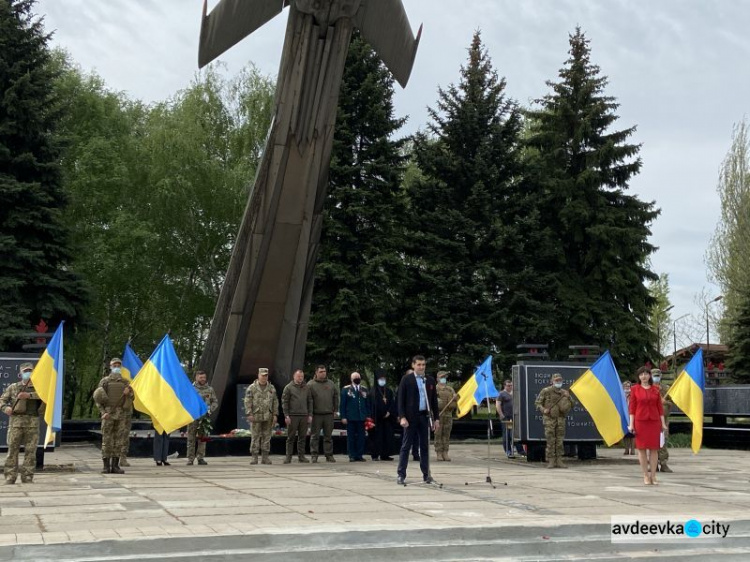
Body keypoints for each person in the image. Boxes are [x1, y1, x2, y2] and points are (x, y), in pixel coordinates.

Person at [396, 355, 439, 485]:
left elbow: (434, 401)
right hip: (410, 417)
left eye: (423, 365)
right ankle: (401, 474)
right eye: (419, 365)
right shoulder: (407, 379)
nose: (421, 367)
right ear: (413, 365)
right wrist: (402, 417)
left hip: (424, 416)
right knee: (406, 446)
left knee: (425, 447)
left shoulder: (429, 380)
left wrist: (436, 418)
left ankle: (427, 475)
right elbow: (400, 400)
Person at [1, 362, 45, 484]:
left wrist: (29, 395)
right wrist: (6, 408)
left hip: (32, 423)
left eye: (30, 370)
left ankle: (27, 476)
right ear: (20, 373)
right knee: (12, 450)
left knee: (31, 451)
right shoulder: (13, 387)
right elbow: (2, 400)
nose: (28, 373)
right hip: (16, 423)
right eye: (25, 371)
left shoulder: (39, 387)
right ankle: (10, 476)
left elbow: (45, 396)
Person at [93, 358, 133, 474]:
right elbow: (97, 399)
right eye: (114, 364)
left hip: (121, 415)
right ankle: (106, 466)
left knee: (119, 441)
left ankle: (115, 466)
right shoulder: (104, 381)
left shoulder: (126, 382)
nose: (116, 366)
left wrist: (128, 393)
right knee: (107, 440)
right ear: (110, 367)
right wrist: (103, 412)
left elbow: (132, 399)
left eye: (118, 365)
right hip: (108, 414)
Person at [628, 367, 667, 485]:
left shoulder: (655, 389)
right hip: (640, 422)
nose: (644, 376)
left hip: (654, 421)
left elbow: (660, 408)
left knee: (654, 449)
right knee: (642, 449)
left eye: (646, 374)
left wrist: (663, 423)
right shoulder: (635, 389)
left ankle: (653, 476)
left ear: (649, 376)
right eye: (641, 375)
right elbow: (632, 408)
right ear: (638, 377)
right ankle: (645, 475)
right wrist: (631, 424)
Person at [534, 373, 573, 469]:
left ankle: (559, 460)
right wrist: (543, 410)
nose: (558, 382)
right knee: (551, 440)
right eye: (556, 380)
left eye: (560, 380)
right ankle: (551, 460)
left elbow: (573, 404)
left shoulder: (564, 392)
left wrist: (568, 397)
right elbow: (537, 403)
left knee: (559, 440)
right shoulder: (546, 391)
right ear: (552, 381)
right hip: (549, 419)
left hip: (561, 419)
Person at [244, 367, 279, 465]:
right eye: (262, 375)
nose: (264, 377)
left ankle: (265, 457)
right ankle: (254, 457)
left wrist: (275, 414)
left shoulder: (271, 388)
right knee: (255, 437)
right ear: (258, 375)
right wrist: (249, 413)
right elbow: (247, 401)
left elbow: (275, 402)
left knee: (267, 437)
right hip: (256, 416)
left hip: (268, 416)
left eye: (266, 376)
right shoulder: (252, 388)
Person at [186, 370, 218, 466]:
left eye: (204, 377)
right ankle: (190, 459)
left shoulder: (210, 389)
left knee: (203, 439)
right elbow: (186, 402)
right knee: (191, 438)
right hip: (193, 417)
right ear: (196, 378)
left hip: (204, 418)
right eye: (201, 378)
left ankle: (200, 458)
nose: (203, 379)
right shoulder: (190, 389)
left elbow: (215, 402)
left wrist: (210, 410)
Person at [308, 365, 338, 463]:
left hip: (328, 414)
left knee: (328, 436)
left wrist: (335, 410)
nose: (323, 373)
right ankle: (314, 455)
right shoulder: (310, 384)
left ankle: (329, 455)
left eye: (324, 371)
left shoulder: (331, 384)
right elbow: (308, 400)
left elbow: (335, 397)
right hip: (316, 414)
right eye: (321, 371)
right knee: (314, 436)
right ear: (316, 372)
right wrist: (310, 414)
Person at [282, 369, 313, 463]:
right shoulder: (288, 387)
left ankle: (301, 456)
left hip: (304, 415)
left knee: (302, 437)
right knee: (290, 437)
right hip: (292, 415)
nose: (300, 378)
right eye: (299, 376)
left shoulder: (306, 387)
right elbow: (285, 402)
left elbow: (310, 401)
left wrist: (310, 414)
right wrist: (286, 415)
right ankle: (288, 457)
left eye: (302, 376)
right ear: (294, 376)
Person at [340, 371, 370, 462]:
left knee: (361, 437)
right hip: (351, 417)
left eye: (358, 377)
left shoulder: (364, 389)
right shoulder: (346, 389)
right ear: (351, 379)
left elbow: (367, 403)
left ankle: (359, 455)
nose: (357, 379)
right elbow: (343, 404)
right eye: (355, 377)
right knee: (351, 437)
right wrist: (343, 416)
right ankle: (352, 455)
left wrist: (368, 415)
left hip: (361, 417)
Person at [368, 369, 397, 461]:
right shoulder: (373, 392)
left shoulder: (388, 391)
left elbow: (392, 403)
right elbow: (374, 405)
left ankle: (385, 454)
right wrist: (382, 413)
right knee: (377, 437)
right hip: (377, 418)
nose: (382, 380)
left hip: (387, 419)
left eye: (384, 378)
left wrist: (389, 412)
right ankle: (375, 455)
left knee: (387, 436)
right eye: (381, 379)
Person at [496, 379, 525, 458]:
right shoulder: (501, 394)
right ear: (505, 386)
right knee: (507, 434)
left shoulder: (514, 393)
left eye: (511, 385)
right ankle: (508, 451)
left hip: (514, 416)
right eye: (508, 385)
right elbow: (498, 405)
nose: (510, 387)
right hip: (506, 417)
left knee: (515, 434)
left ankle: (520, 450)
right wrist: (501, 415)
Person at [652, 368, 673, 472]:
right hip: (651, 420)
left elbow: (672, 403)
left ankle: (663, 463)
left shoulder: (666, 389)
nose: (656, 377)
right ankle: (653, 464)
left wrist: (665, 402)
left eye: (657, 375)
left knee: (663, 441)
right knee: (652, 442)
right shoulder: (648, 388)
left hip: (663, 420)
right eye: (654, 375)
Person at [434, 371, 457, 461]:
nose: (443, 378)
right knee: (438, 434)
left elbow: (454, 403)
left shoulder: (450, 389)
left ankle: (445, 452)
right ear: (437, 378)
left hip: (448, 414)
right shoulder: (435, 389)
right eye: (441, 377)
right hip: (438, 415)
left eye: (445, 377)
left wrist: (455, 398)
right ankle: (439, 452)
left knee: (446, 434)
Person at [621, 381, 635, 455]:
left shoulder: (632, 395)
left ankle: (632, 450)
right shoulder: (621, 396)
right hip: (624, 415)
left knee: (632, 434)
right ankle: (626, 449)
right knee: (625, 433)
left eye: (628, 386)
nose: (627, 388)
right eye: (625, 386)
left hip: (631, 415)